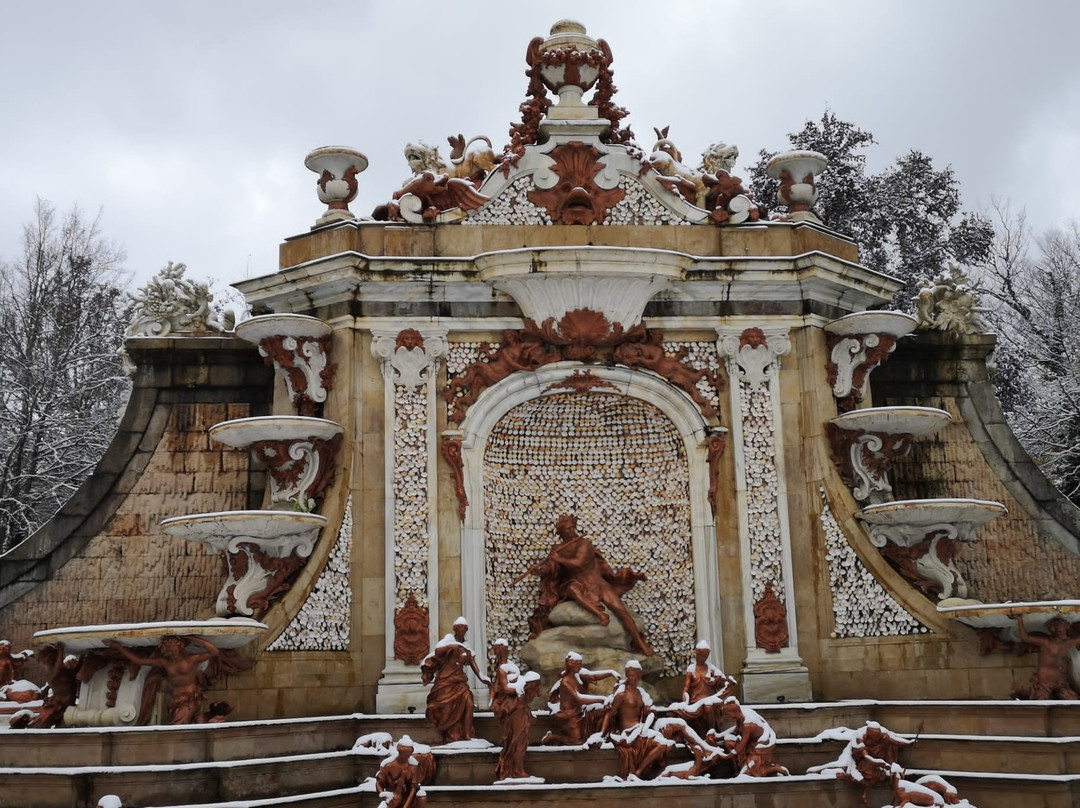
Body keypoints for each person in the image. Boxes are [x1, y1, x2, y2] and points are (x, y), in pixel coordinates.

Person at [523, 514, 653, 655]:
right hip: (578, 583)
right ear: (561, 532)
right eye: (567, 529)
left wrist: (559, 559)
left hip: (597, 583)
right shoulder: (558, 548)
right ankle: (599, 614)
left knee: (621, 610)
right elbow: (552, 568)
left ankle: (639, 643)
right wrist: (540, 571)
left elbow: (579, 563)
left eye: (572, 527)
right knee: (571, 589)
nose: (571, 531)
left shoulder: (584, 544)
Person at [106, 635, 221, 724]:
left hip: (189, 699)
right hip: (174, 700)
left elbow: (214, 651)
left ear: (179, 644)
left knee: (178, 725)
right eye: (166, 644)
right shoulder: (165, 662)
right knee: (179, 724)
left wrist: (192, 638)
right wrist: (118, 647)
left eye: (171, 643)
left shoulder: (192, 659)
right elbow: (139, 660)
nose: (168, 646)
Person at [420, 617, 489, 743]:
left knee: (469, 704)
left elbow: (473, 665)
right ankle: (444, 731)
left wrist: (482, 678)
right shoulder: (448, 640)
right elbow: (438, 650)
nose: (461, 631)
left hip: (460, 682)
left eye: (464, 629)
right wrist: (452, 646)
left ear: (466, 630)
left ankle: (468, 734)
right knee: (445, 709)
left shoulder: (466, 647)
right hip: (445, 682)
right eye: (459, 629)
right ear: (455, 629)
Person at [601, 660, 670, 779]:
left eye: (633, 675)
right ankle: (638, 773)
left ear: (639, 675)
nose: (631, 678)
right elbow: (609, 714)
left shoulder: (640, 693)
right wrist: (601, 734)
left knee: (663, 744)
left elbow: (651, 710)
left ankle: (638, 772)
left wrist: (647, 717)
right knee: (662, 744)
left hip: (640, 730)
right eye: (628, 675)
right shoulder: (622, 694)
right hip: (629, 733)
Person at [542, 651, 617, 746]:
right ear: (570, 665)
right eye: (577, 665)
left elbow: (593, 676)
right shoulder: (565, 682)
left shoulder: (578, 674)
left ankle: (600, 736)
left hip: (580, 711)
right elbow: (579, 698)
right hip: (569, 715)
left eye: (580, 664)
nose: (580, 667)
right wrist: (602, 699)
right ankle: (552, 737)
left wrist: (611, 673)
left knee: (605, 711)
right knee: (577, 741)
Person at [674, 640, 737, 735]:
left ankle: (711, 733)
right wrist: (685, 701)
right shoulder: (691, 669)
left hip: (710, 700)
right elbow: (686, 688)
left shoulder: (711, 669)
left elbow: (723, 680)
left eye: (706, 656)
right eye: (703, 656)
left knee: (708, 707)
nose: (704, 658)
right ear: (697, 654)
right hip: (696, 702)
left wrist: (718, 680)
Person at [1014, 615, 1080, 699]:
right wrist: (1019, 619)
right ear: (1053, 630)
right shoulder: (1046, 642)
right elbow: (1025, 637)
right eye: (1059, 631)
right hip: (1046, 683)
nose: (1061, 634)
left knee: (1070, 697)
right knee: (1042, 698)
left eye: (1063, 632)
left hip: (1057, 682)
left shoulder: (1065, 644)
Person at [495, 671, 542, 781]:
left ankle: (516, 769)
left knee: (520, 745)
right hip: (517, 729)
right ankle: (516, 770)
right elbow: (515, 721)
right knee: (518, 745)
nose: (537, 694)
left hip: (519, 726)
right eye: (535, 689)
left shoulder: (521, 700)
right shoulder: (519, 700)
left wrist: (529, 717)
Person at [374, 735, 436, 808]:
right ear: (399, 752)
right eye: (404, 755)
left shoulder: (413, 766)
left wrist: (406, 806)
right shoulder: (388, 765)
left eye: (408, 755)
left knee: (422, 798)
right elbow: (379, 783)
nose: (406, 757)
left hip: (408, 797)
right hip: (392, 797)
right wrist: (383, 795)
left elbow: (413, 789)